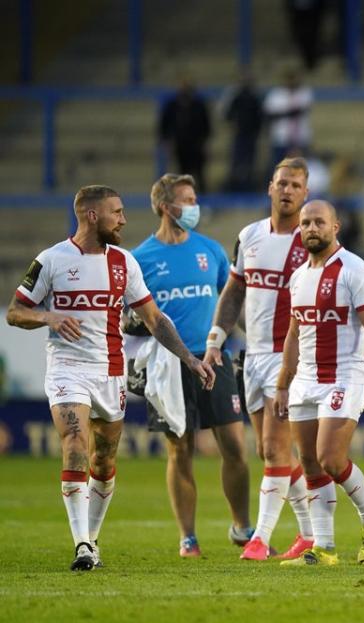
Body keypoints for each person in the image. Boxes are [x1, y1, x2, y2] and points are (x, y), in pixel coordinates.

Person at [6, 185, 214, 571]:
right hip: (68, 369)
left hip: (111, 372)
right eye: (116, 212)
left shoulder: (123, 263)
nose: (123, 219)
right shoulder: (51, 260)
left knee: (103, 460)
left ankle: (93, 539)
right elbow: (16, 311)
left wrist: (188, 358)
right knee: (74, 442)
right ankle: (82, 544)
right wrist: (48, 317)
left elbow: (153, 319)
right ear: (91, 216)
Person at [131, 174, 252, 557]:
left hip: (213, 357)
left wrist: (258, 338)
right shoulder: (140, 259)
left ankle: (242, 528)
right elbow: (127, 318)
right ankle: (189, 537)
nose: (195, 206)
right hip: (168, 365)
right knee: (179, 449)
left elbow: (230, 301)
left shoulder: (212, 251)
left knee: (234, 446)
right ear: (167, 207)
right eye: (188, 199)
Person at [204, 158, 315, 561]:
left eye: (296, 185)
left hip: (292, 357)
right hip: (252, 356)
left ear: (306, 194)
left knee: (273, 448)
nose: (287, 191)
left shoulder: (312, 239)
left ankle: (260, 539)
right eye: (282, 183)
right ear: (270, 187)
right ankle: (310, 533)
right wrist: (216, 339)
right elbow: (234, 291)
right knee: (273, 453)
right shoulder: (249, 235)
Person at [274, 200, 364, 566]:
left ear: (335, 226)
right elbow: (293, 333)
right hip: (305, 378)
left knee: (330, 457)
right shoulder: (298, 276)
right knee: (309, 462)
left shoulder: (355, 270)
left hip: (345, 373)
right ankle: (324, 549)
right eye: (305, 223)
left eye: (318, 222)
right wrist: (282, 383)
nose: (311, 228)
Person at [159, 79, 212, 192]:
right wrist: (166, 141)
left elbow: (206, 126)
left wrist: (205, 142)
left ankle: (203, 199)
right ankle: (184, 200)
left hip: (196, 146)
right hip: (180, 146)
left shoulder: (198, 106)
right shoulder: (172, 106)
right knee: (182, 174)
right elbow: (164, 125)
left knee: (199, 174)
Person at [221, 71, 264, 192]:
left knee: (250, 162)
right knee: (236, 161)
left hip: (252, 135)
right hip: (239, 134)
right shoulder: (235, 96)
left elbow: (260, 116)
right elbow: (227, 114)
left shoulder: (256, 97)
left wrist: (257, 130)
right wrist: (233, 125)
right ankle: (233, 186)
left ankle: (249, 186)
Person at [264, 69, 314, 170]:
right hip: (281, 137)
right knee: (278, 168)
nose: (292, 82)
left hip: (300, 138)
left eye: (294, 79)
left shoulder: (305, 92)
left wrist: (284, 113)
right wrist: (289, 113)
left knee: (301, 170)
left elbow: (303, 109)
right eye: (290, 79)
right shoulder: (276, 94)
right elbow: (269, 114)